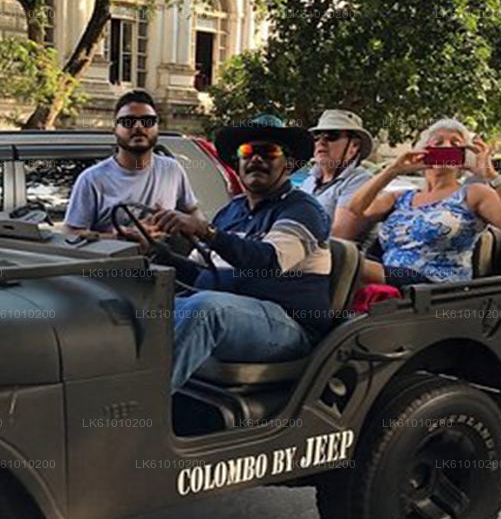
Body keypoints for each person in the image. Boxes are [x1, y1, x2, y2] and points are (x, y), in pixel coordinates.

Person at [148, 115, 333, 391]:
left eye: (268, 152)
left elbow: (266, 261)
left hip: (288, 325)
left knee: (205, 310)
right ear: (238, 162)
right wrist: (153, 251)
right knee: (137, 305)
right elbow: (198, 272)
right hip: (232, 312)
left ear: (288, 163)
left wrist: (205, 231)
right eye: (247, 152)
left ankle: (139, 410)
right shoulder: (230, 212)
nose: (256, 159)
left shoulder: (302, 210)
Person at [345, 118, 501, 286]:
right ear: (423, 151)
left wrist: (491, 176)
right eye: (438, 142)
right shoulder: (402, 197)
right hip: (389, 278)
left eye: (455, 143)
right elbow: (355, 209)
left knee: (343, 263)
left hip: (434, 287)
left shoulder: (472, 193)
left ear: (464, 154)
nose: (446, 147)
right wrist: (392, 171)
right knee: (334, 261)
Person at [62, 90, 198, 239]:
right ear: (114, 129)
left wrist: (184, 223)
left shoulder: (172, 170)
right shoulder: (92, 179)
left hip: (165, 261)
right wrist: (118, 238)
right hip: (118, 262)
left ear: (157, 127)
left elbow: (194, 214)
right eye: (128, 122)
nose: (139, 127)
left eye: (147, 121)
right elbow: (70, 234)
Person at [303, 110, 374, 240]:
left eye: (332, 135)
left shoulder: (360, 181)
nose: (321, 142)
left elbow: (340, 236)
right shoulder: (309, 181)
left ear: (354, 146)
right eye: (317, 136)